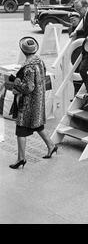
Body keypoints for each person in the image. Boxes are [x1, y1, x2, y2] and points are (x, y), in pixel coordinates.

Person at [9, 37, 57, 169]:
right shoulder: (40, 61)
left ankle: (21, 159)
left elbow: (28, 87)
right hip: (38, 99)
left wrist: (17, 83)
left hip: (28, 104)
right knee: (37, 125)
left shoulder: (29, 66)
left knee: (20, 130)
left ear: (23, 51)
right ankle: (51, 146)